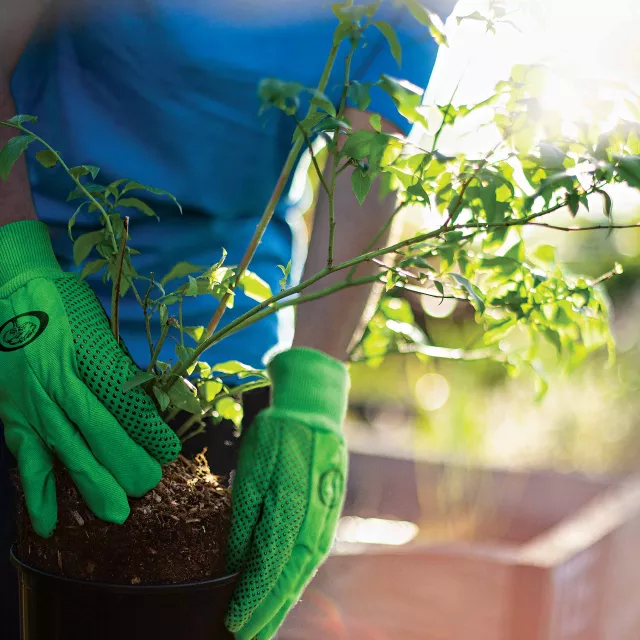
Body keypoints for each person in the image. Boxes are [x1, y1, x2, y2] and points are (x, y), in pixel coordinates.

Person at [0, 0, 452, 637]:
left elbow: (369, 160)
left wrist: (314, 389)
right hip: (31, 296)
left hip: (221, 340)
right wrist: (13, 270)